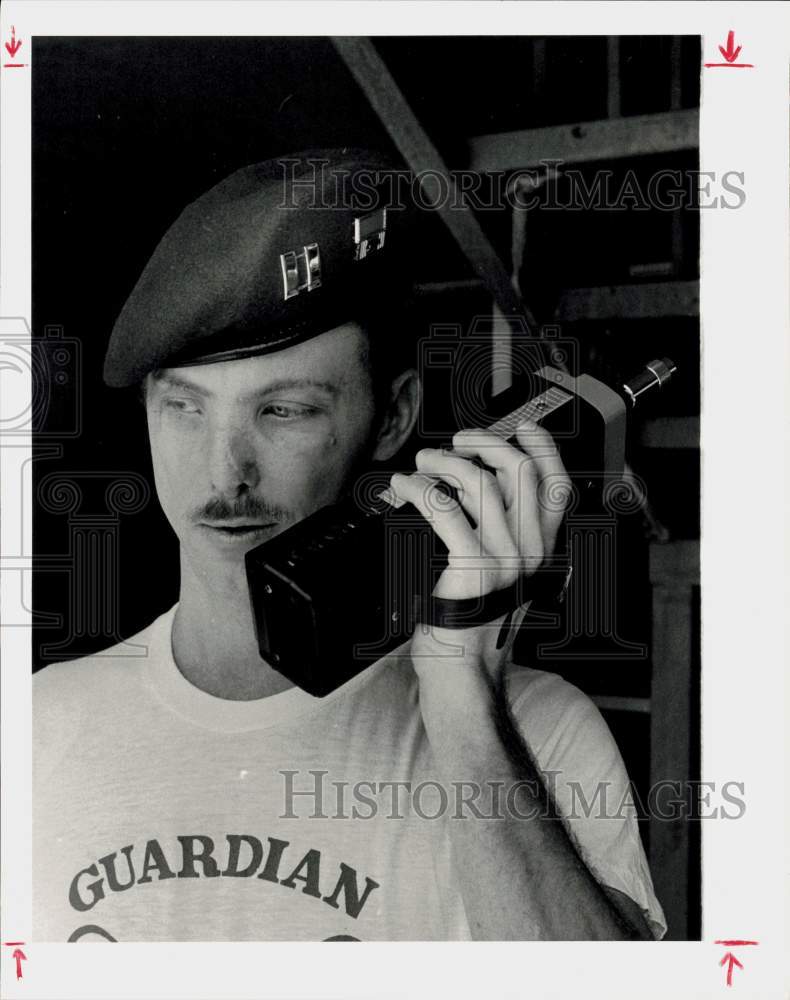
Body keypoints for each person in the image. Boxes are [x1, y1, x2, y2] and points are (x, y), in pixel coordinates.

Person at [33, 149, 666, 942]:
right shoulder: (36, 726)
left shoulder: (539, 735)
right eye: (186, 409)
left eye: (286, 411)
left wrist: (461, 697)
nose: (224, 471)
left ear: (393, 418)